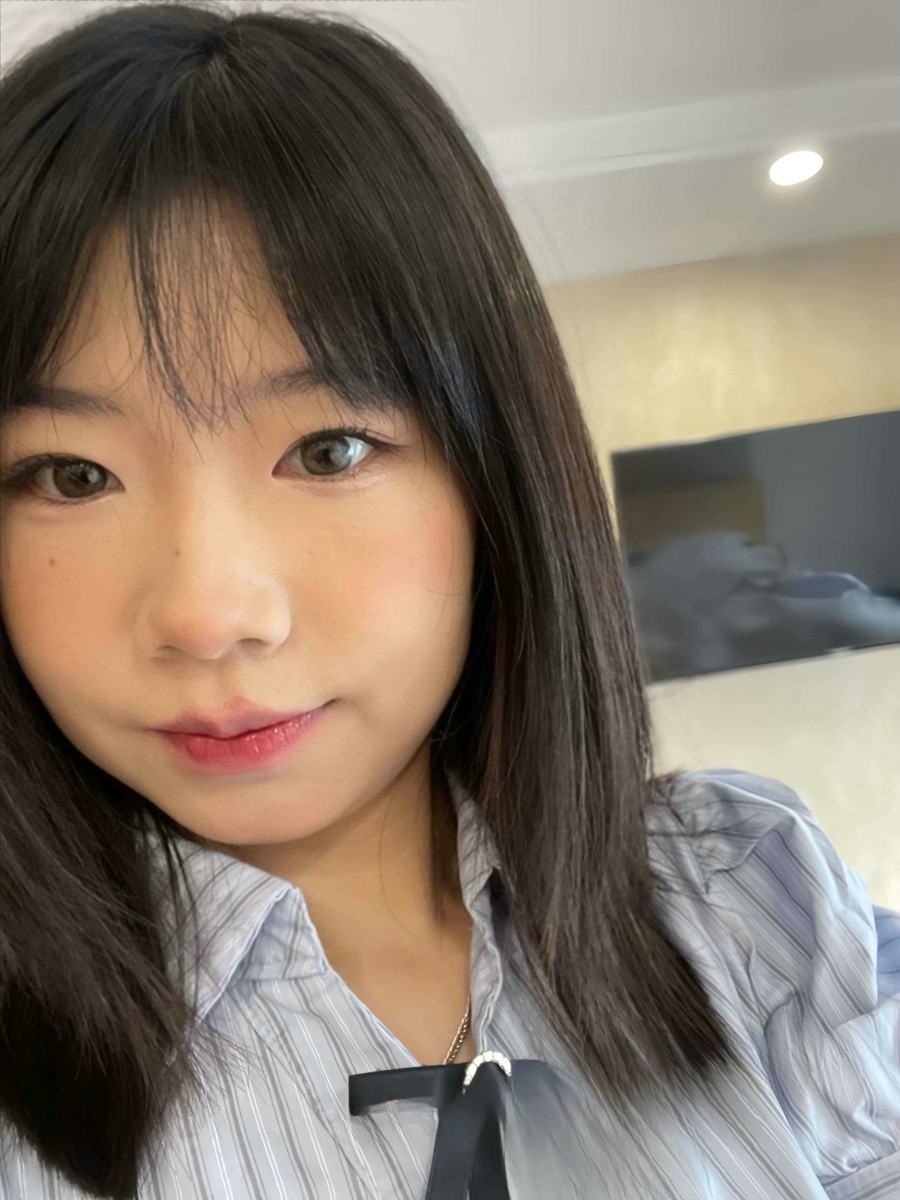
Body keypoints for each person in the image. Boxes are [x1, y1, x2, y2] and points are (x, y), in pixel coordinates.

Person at [0, 5, 896, 1199]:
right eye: (71, 475)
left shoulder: (744, 895)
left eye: (329, 450)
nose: (211, 617)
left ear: (495, 479)